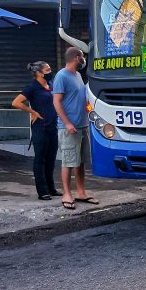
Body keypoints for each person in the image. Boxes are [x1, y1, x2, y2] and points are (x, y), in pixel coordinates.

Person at [52, 47, 97, 210]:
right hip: (68, 127)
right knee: (68, 162)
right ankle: (66, 194)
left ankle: (81, 192)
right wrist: (68, 123)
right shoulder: (61, 76)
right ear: (77, 58)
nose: (84, 60)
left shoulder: (77, 75)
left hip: (82, 125)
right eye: (82, 57)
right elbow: (56, 102)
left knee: (80, 162)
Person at [12, 62, 60, 200]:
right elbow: (16, 102)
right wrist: (32, 112)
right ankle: (42, 191)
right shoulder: (32, 87)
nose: (50, 71)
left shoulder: (50, 85)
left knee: (51, 159)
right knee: (40, 159)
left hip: (53, 126)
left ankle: (51, 188)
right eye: (47, 69)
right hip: (41, 127)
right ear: (39, 73)